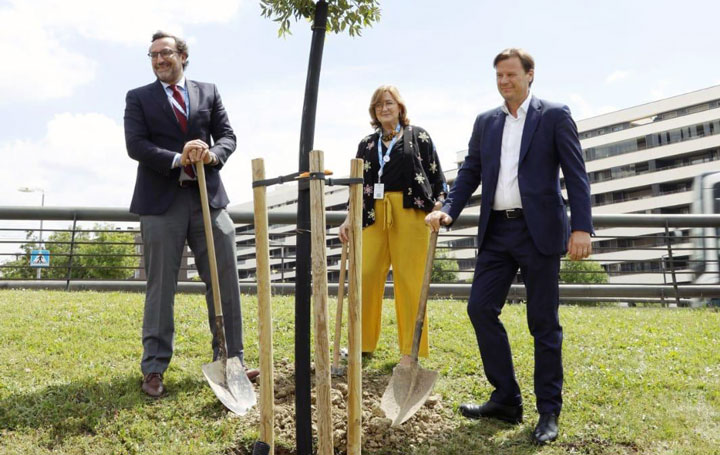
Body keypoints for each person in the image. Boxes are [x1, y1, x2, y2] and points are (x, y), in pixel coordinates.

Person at [425, 49, 593, 444]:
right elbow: (471, 171)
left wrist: (582, 228)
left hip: (541, 232)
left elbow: (576, 174)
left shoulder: (554, 115)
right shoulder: (486, 122)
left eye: (511, 75)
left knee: (543, 323)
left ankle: (548, 411)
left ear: (530, 75)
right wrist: (448, 209)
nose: (504, 82)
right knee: (480, 308)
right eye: (499, 76)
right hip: (497, 233)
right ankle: (505, 398)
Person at [124, 30, 258, 398]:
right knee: (160, 287)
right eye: (151, 55)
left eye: (164, 53)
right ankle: (153, 367)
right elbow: (135, 145)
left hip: (207, 200)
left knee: (225, 280)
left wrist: (212, 155)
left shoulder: (209, 92)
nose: (158, 60)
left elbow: (228, 136)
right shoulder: (138, 98)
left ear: (183, 55)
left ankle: (232, 359)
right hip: (160, 203)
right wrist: (177, 157)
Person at [339, 85, 447, 366]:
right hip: (372, 213)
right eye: (378, 105)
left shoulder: (419, 135)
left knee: (410, 280)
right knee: (365, 275)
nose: (384, 108)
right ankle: (361, 343)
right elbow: (356, 185)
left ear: (400, 106)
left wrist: (439, 205)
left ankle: (410, 350)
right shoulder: (366, 143)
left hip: (411, 213)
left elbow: (437, 179)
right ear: (373, 112)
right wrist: (349, 217)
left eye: (389, 103)